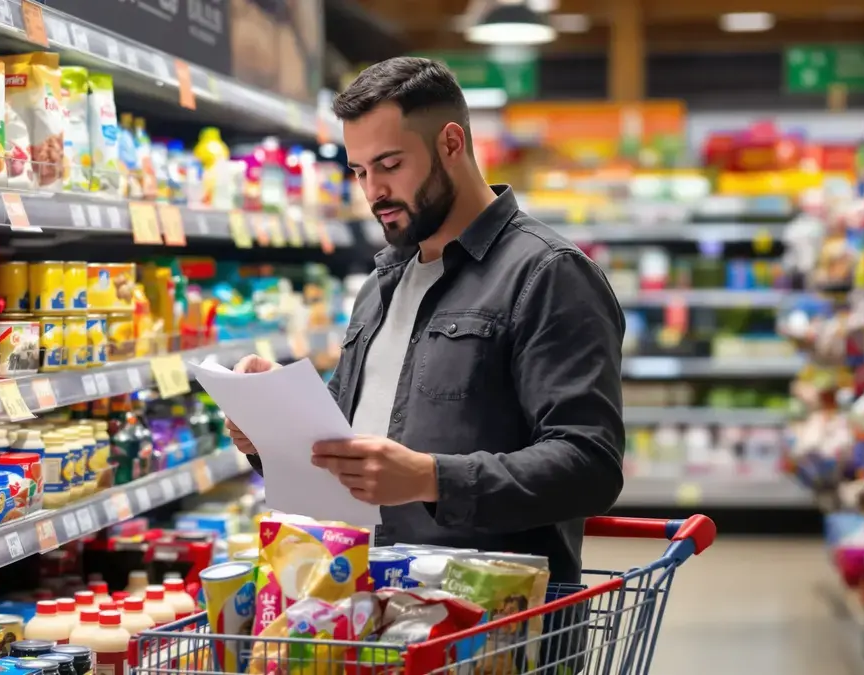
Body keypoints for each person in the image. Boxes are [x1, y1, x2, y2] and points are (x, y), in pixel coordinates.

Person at [227, 56, 625, 583]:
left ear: (451, 145)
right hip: (370, 608)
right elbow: (347, 454)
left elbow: (589, 465)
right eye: (360, 172)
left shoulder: (548, 274)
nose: (373, 193)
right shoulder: (380, 285)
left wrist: (432, 478)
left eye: (390, 166)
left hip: (488, 624)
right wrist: (270, 435)